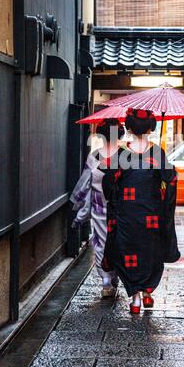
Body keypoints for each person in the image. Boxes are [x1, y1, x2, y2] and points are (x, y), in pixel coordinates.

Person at [102, 109, 180, 314]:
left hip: (127, 215)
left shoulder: (121, 154)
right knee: (151, 253)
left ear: (128, 128)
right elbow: (171, 178)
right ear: (151, 128)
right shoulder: (157, 153)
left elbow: (109, 184)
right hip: (151, 214)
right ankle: (147, 293)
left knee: (128, 252)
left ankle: (135, 299)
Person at [70, 118, 124, 298]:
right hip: (122, 206)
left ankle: (106, 281)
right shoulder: (127, 155)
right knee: (120, 241)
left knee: (101, 241)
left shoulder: (95, 155)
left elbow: (85, 182)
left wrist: (77, 204)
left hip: (100, 205)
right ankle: (116, 273)